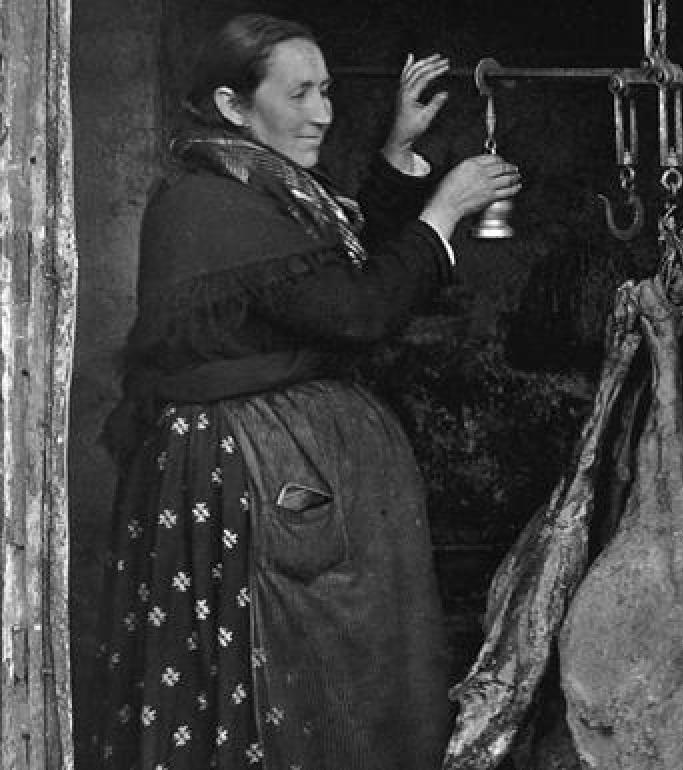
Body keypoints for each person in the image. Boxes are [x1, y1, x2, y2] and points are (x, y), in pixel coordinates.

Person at [95, 13, 521, 769]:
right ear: (233, 105)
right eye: (299, 94)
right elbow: (358, 310)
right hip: (236, 483)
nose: (322, 112)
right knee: (275, 676)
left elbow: (338, 267)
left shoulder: (256, 185)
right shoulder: (207, 205)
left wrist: (397, 151)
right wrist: (444, 212)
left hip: (274, 470)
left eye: (325, 90)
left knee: (333, 680)